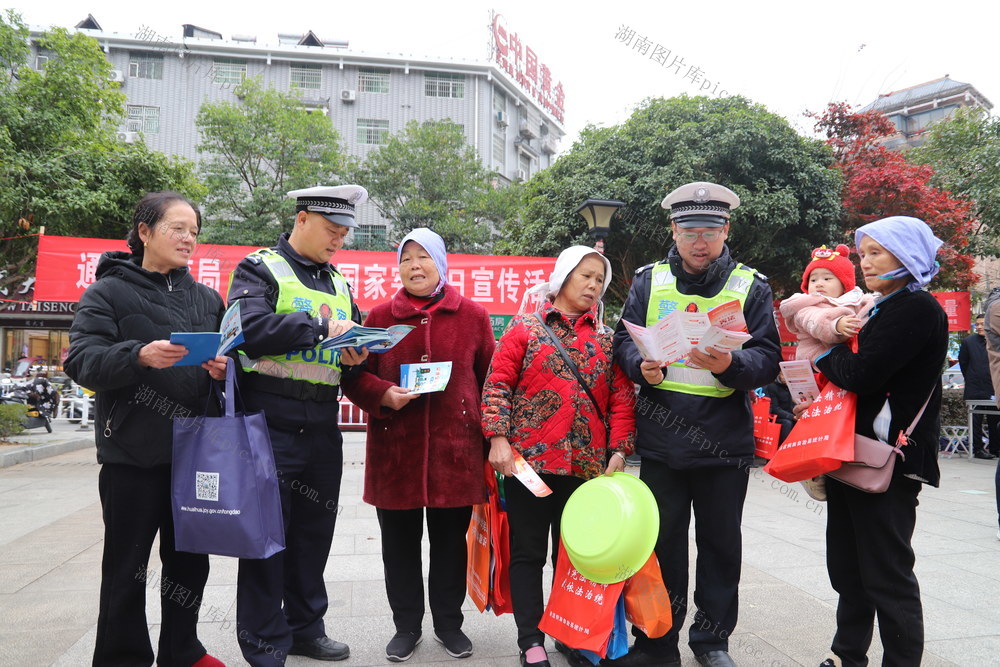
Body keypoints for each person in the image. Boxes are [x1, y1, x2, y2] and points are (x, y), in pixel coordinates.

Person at [611, 181, 781, 667]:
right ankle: (658, 644)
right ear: (674, 231)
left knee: (720, 547)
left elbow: (768, 357)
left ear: (726, 230)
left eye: (710, 229)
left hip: (724, 443)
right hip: (664, 440)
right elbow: (624, 341)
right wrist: (636, 364)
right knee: (662, 547)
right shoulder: (649, 280)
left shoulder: (751, 285)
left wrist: (730, 367)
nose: (699, 240)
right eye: (690, 230)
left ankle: (711, 643)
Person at [64, 191, 227, 667]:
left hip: (196, 453)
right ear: (145, 232)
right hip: (131, 454)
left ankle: (183, 650)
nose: (188, 238)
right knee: (127, 566)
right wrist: (137, 356)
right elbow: (82, 360)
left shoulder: (207, 298)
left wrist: (222, 370)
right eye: (178, 228)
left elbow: (228, 364)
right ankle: (122, 656)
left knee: (190, 563)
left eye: (194, 231)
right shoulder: (107, 292)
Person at [227, 185, 369, 665]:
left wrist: (357, 353)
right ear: (303, 219)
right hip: (268, 423)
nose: (338, 241)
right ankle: (265, 642)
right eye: (332, 231)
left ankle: (306, 627)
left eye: (345, 234)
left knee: (313, 534)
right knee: (267, 537)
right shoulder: (259, 268)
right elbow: (249, 330)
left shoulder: (340, 283)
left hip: (322, 427)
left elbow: (348, 353)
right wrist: (319, 329)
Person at [342, 228, 495, 663]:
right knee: (399, 544)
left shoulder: (472, 316)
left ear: (441, 263)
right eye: (406, 259)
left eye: (423, 258)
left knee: (450, 543)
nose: (414, 266)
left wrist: (493, 436)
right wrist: (382, 395)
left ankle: (449, 625)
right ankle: (406, 626)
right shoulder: (377, 317)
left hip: (456, 450)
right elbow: (353, 377)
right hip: (397, 451)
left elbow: (490, 381)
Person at [481, 246, 636, 667]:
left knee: (577, 555)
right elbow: (497, 385)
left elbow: (622, 399)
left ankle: (571, 632)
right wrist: (497, 438)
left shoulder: (607, 339)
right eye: (585, 276)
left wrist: (620, 449)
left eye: (599, 280)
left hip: (586, 469)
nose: (593, 285)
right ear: (564, 276)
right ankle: (530, 639)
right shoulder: (525, 328)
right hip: (528, 463)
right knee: (529, 552)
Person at [812, 215, 948, 667]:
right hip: (854, 455)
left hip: (888, 463)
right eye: (864, 253)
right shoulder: (880, 306)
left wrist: (825, 355)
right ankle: (848, 655)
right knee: (849, 571)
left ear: (906, 256)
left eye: (876, 253)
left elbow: (861, 374)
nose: (866, 263)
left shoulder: (915, 308)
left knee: (887, 576)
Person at [779, 244, 874, 362]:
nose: (818, 283)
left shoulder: (854, 298)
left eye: (827, 279)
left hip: (850, 356)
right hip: (817, 359)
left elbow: (868, 308)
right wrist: (834, 325)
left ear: (844, 285)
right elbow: (814, 320)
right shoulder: (805, 306)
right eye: (813, 280)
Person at [958, 315, 999, 459]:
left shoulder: (996, 339)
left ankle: (995, 448)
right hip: (975, 387)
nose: (980, 327)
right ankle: (977, 449)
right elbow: (963, 362)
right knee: (975, 421)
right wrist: (971, 378)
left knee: (995, 420)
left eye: (982, 324)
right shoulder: (969, 342)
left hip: (994, 386)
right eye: (977, 324)